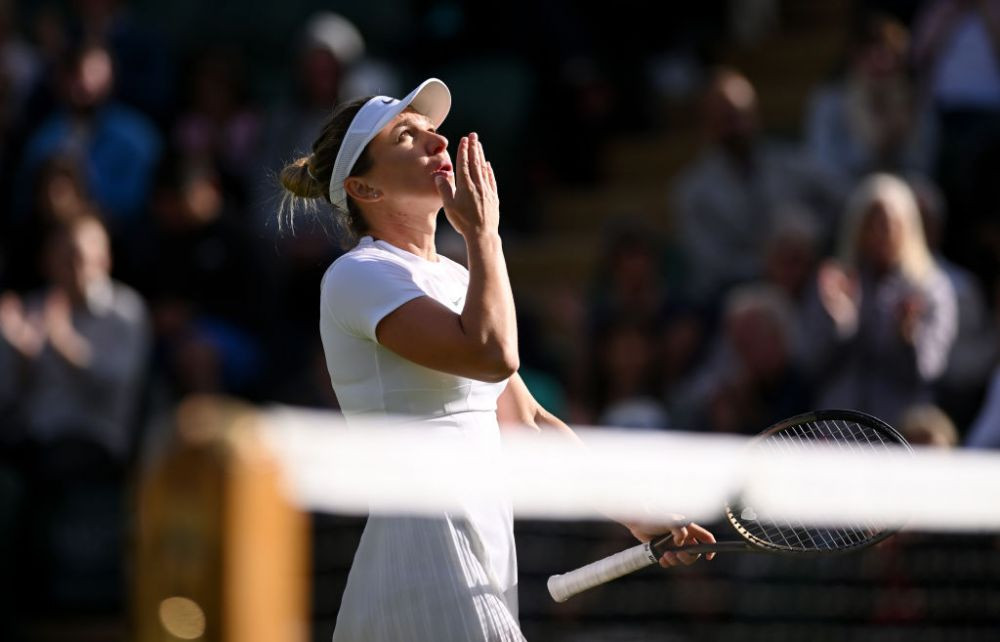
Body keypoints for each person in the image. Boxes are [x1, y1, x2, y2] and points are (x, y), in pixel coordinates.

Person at [277, 78, 715, 641]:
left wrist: (637, 514)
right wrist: (485, 235)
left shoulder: (460, 278)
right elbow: (492, 355)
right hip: (426, 543)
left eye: (432, 130)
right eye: (407, 137)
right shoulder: (357, 274)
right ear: (364, 188)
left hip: (485, 544)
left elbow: (528, 421)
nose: (437, 144)